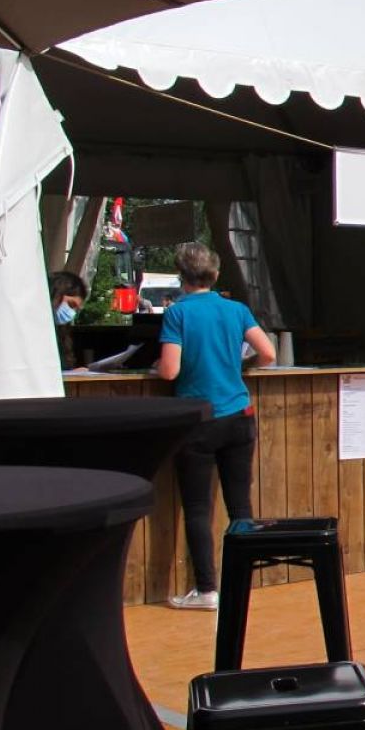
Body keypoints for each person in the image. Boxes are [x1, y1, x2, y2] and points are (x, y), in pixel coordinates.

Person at [156, 243, 276, 610]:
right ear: (216, 274)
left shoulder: (177, 314)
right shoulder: (236, 309)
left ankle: (207, 589)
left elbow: (170, 370)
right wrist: (242, 367)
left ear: (181, 275)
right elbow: (269, 354)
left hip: (199, 420)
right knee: (240, 505)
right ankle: (244, 581)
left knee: (197, 508)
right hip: (239, 414)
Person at [49, 270, 87, 370]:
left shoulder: (62, 335)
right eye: (71, 305)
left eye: (76, 309)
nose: (72, 312)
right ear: (55, 296)